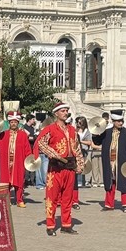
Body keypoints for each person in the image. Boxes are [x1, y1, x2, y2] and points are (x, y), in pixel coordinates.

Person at [39, 101, 83, 236]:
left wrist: (80, 164)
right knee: (52, 197)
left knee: (68, 197)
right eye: (63, 111)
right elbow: (40, 143)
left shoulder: (72, 130)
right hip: (55, 168)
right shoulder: (50, 129)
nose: (65, 113)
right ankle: (50, 225)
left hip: (69, 167)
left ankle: (66, 224)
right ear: (56, 113)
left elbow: (77, 148)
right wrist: (54, 154)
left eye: (66, 111)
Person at [95, 109, 126, 213]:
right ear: (113, 121)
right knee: (109, 183)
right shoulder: (106, 132)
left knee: (123, 183)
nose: (120, 123)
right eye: (118, 121)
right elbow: (97, 141)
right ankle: (109, 204)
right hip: (109, 162)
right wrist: (96, 131)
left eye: (122, 121)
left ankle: (125, 204)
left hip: (122, 162)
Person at [0, 110, 32, 207]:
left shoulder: (22, 135)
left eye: (15, 122)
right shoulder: (4, 134)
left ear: (18, 123)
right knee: (6, 182)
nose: (13, 124)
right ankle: (7, 200)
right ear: (9, 123)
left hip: (18, 162)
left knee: (19, 181)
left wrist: (29, 159)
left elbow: (27, 148)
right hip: (6, 162)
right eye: (12, 122)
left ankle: (19, 200)